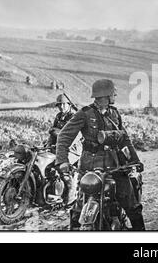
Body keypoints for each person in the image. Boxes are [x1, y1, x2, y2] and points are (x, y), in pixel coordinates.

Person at [55, 79, 145, 230]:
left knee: (132, 205)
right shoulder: (84, 114)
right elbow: (64, 136)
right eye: (113, 93)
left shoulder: (114, 114)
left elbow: (124, 139)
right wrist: (62, 161)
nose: (115, 95)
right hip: (90, 168)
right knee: (79, 210)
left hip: (115, 166)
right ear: (105, 96)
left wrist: (135, 161)